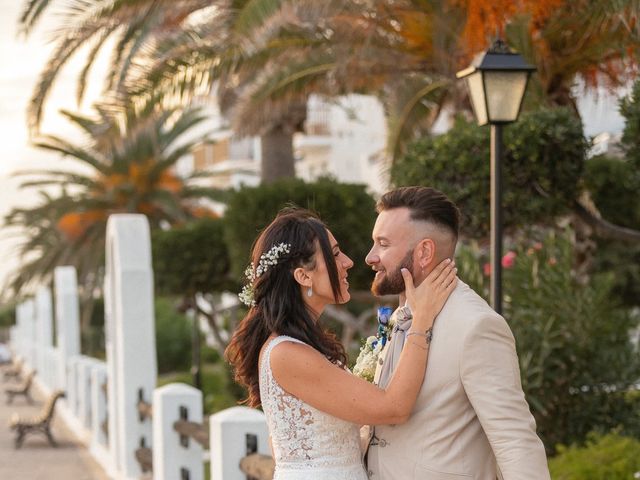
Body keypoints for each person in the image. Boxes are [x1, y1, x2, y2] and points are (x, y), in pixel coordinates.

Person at [225, 208, 457, 480]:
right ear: (303, 276)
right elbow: (394, 407)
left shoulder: (300, 345)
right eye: (334, 254)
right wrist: (423, 319)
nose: (347, 262)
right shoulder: (286, 353)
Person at [365, 186, 550, 479]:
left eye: (383, 244)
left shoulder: (475, 325)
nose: (370, 257)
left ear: (424, 252)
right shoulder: (399, 317)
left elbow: (514, 440)